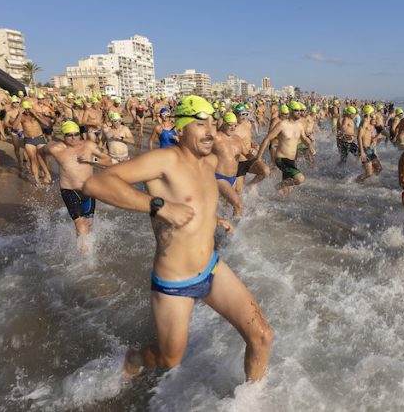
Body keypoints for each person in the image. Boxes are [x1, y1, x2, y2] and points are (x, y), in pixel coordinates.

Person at [82, 95, 272, 381]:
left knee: (261, 336)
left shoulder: (207, 162)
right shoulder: (164, 160)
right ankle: (134, 358)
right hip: (175, 281)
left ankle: (253, 402)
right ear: (181, 129)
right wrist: (159, 206)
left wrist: (214, 217)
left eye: (211, 122)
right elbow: (96, 183)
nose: (209, 130)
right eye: (199, 123)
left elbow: (203, 194)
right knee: (169, 358)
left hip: (212, 267)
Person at [41, 121, 112, 254]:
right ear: (63, 135)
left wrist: (93, 160)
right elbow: (40, 152)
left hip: (89, 189)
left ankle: (81, 245)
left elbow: (108, 160)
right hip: (69, 190)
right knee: (80, 225)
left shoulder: (89, 146)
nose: (73, 138)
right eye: (69, 135)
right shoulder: (55, 149)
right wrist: (46, 172)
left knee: (88, 223)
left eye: (76, 134)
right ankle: (83, 259)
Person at [256, 101, 315, 196]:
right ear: (291, 111)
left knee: (287, 192)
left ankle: (275, 198)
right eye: (297, 110)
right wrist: (259, 157)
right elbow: (267, 139)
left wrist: (310, 145)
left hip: (291, 160)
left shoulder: (299, 126)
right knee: (300, 179)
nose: (299, 112)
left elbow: (304, 139)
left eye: (300, 110)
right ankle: (277, 186)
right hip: (281, 159)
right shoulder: (282, 125)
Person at [212, 112, 249, 216]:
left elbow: (247, 153)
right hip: (219, 178)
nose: (233, 127)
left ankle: (222, 227)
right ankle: (235, 231)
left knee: (225, 207)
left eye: (235, 125)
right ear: (224, 124)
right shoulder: (216, 137)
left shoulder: (237, 139)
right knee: (238, 204)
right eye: (230, 125)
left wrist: (254, 154)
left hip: (232, 178)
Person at [12, 101, 52, 185]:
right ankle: (37, 180)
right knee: (32, 159)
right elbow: (14, 127)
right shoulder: (21, 116)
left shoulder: (36, 114)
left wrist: (36, 115)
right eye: (25, 109)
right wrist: (19, 114)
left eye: (28, 109)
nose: (27, 111)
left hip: (40, 138)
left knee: (43, 158)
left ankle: (46, 174)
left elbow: (46, 124)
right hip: (29, 140)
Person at [232, 104, 270, 191]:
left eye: (246, 114)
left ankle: (250, 186)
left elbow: (250, 139)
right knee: (238, 192)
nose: (244, 116)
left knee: (265, 171)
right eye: (242, 114)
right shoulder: (232, 128)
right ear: (235, 114)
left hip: (249, 159)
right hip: (238, 162)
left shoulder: (248, 124)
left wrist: (254, 145)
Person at [356, 105, 382, 183]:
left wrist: (374, 138)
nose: (374, 113)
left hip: (369, 149)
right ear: (369, 113)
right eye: (372, 112)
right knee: (369, 173)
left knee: (378, 168)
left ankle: (370, 182)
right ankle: (356, 182)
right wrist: (362, 152)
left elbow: (374, 131)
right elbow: (359, 137)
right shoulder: (364, 122)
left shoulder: (370, 122)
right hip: (364, 149)